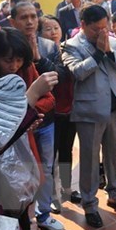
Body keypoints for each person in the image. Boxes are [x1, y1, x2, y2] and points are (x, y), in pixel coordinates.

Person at [0, 28, 60, 230]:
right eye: (8, 60)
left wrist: (32, 113)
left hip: (23, 143)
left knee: (23, 198)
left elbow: (49, 98)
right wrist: (26, 108)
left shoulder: (25, 70)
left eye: (19, 60)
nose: (14, 66)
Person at [61, 5, 116, 229]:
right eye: (96, 29)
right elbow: (78, 72)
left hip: (114, 108)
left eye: (104, 27)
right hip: (90, 111)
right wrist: (98, 53)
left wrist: (110, 51)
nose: (101, 33)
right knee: (90, 160)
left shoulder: (110, 40)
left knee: (113, 154)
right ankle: (90, 205)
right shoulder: (71, 46)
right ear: (83, 25)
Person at [10, 3, 66, 230]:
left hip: (45, 121)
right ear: (13, 21)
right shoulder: (6, 46)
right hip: (16, 123)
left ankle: (44, 214)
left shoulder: (48, 45)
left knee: (46, 167)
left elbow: (59, 77)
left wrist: (37, 58)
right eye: (24, 17)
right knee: (18, 169)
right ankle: (19, 215)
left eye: (33, 16)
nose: (30, 21)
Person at [38, 15, 83, 211]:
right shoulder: (40, 56)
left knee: (66, 151)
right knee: (51, 157)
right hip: (51, 113)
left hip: (69, 109)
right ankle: (52, 194)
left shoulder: (69, 50)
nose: (53, 32)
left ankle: (67, 188)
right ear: (40, 34)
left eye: (56, 27)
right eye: (48, 29)